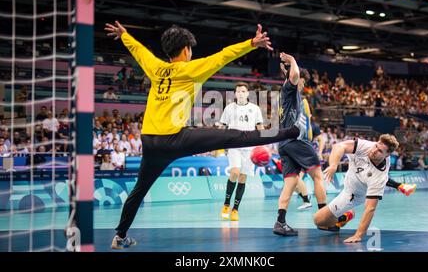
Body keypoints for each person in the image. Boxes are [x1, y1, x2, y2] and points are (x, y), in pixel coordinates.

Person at [104, 21, 305, 249]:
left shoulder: (155, 67)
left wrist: (124, 35)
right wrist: (251, 44)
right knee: (234, 137)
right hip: (174, 139)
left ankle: (120, 236)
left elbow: (139, 51)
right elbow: (222, 56)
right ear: (186, 50)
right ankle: (291, 131)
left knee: (139, 190)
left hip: (149, 141)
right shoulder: (191, 69)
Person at [272, 52, 330, 237]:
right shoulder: (290, 88)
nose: (303, 85)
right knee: (318, 176)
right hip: (296, 141)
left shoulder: (286, 93)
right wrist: (293, 61)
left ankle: (280, 222)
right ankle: (324, 220)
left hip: (284, 143)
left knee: (289, 183)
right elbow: (295, 76)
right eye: (303, 82)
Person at [314, 134, 401, 243]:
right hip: (351, 177)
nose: (374, 150)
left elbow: (370, 209)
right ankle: (343, 214)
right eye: (376, 146)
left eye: (380, 151)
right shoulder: (368, 146)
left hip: (353, 195)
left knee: (318, 220)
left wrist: (358, 235)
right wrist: (333, 165)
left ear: (387, 155)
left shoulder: (380, 176)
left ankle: (346, 215)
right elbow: (339, 146)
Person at [219, 82, 264, 221]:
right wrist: (218, 145)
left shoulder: (255, 109)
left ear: (247, 93)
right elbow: (222, 127)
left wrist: (263, 144)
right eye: (238, 91)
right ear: (235, 93)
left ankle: (235, 209)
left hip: (249, 148)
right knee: (235, 172)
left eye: (243, 91)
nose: (240, 93)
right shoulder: (229, 108)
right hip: (234, 145)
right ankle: (226, 204)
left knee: (243, 178)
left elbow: (260, 127)